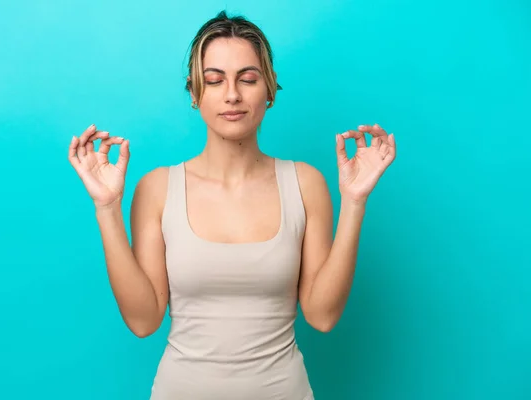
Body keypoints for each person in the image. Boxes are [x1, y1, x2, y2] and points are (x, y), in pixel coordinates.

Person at [68, 10, 396, 400]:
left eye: (248, 78)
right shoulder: (157, 189)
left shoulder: (305, 183)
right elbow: (143, 320)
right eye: (214, 80)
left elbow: (322, 316)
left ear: (270, 90)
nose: (232, 94)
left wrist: (355, 202)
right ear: (194, 93)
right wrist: (107, 207)